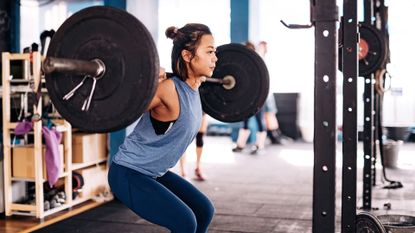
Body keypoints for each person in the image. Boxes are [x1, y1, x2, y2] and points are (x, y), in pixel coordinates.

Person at [108, 23, 216, 233]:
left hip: (154, 172)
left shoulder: (194, 88)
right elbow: (122, 107)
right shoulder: (167, 89)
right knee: (185, 223)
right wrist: (146, 81)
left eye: (215, 52)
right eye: (210, 52)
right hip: (128, 173)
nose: (215, 58)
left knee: (203, 211)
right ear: (187, 55)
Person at [232, 41, 267, 155]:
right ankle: (240, 145)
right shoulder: (243, 65)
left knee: (259, 122)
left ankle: (259, 145)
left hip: (258, 99)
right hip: (246, 99)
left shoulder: (258, 63)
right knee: (245, 122)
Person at [179, 113, 208, 181]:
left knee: (199, 137)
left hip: (201, 109)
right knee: (184, 139)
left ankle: (196, 168)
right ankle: (183, 172)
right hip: (190, 109)